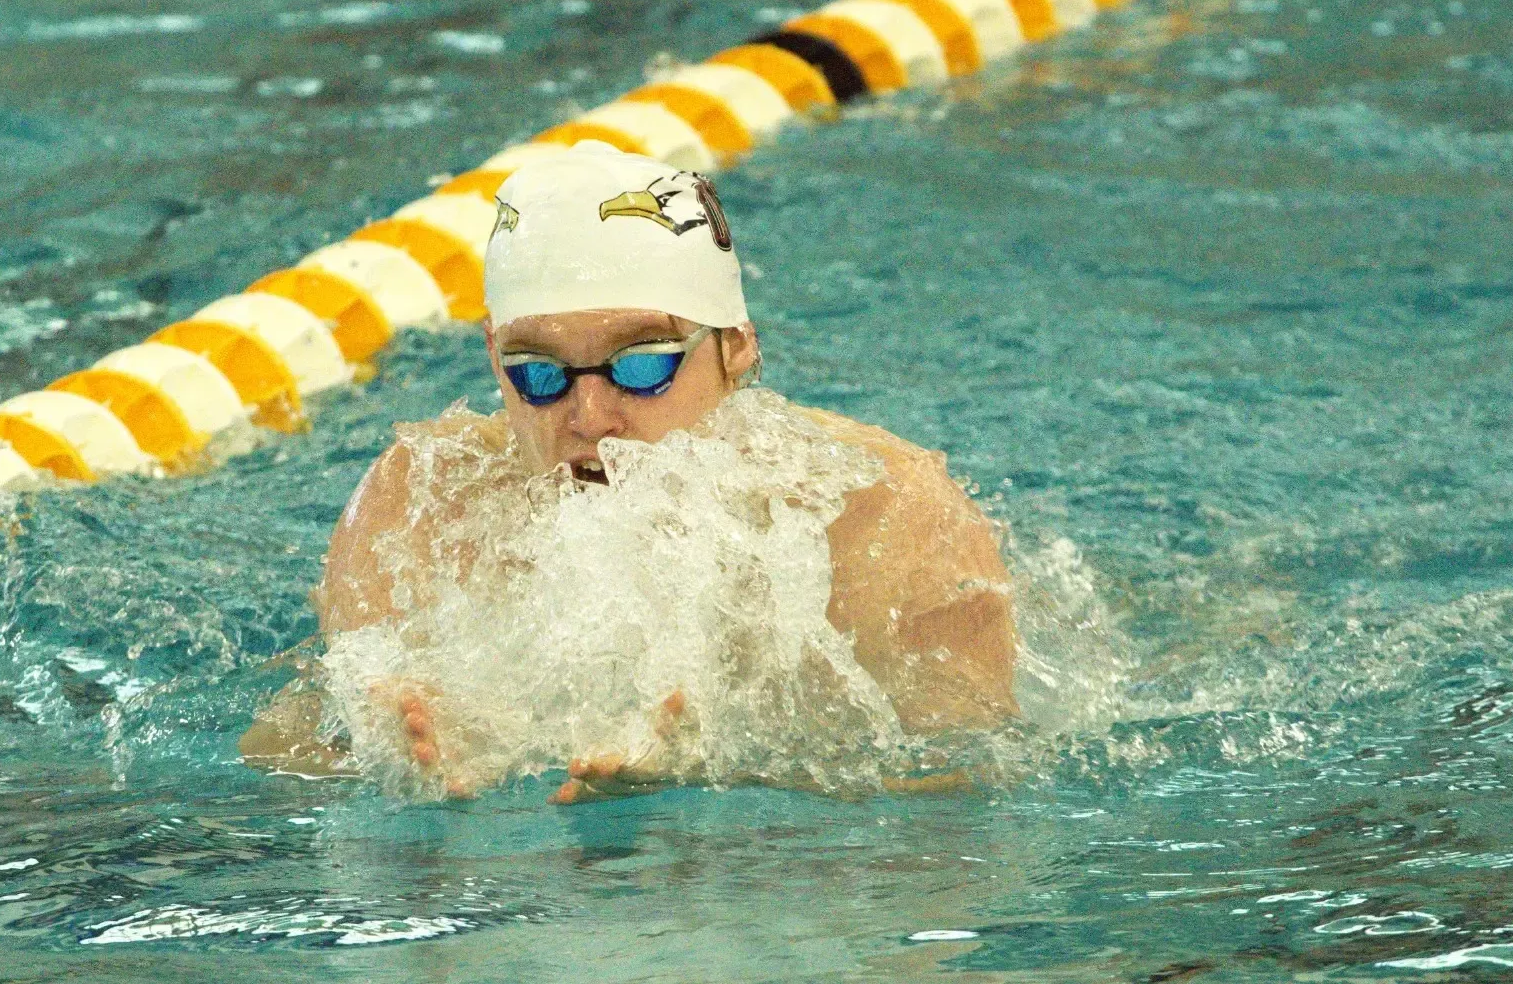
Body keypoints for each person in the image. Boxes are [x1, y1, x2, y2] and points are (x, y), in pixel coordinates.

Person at [241, 142, 1016, 802]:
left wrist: (721, 777)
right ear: (490, 354)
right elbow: (279, 746)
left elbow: (968, 794)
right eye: (537, 371)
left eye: (642, 364)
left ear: (737, 346)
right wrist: (387, 760)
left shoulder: (883, 517)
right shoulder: (417, 504)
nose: (588, 416)